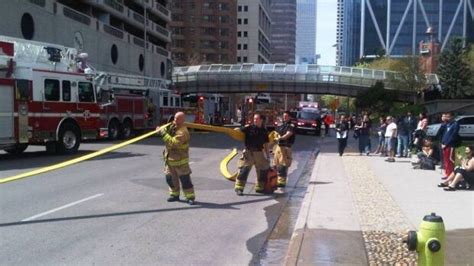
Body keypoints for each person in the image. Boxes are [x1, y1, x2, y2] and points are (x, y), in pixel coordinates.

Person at [156, 112, 195, 205]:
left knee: (185, 181)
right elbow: (167, 131)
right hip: (170, 161)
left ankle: (190, 197)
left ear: (183, 120)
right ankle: (174, 195)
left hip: (181, 161)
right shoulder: (174, 127)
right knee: (170, 179)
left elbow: (173, 143)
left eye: (177, 119)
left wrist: (163, 133)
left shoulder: (183, 132)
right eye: (174, 119)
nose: (175, 121)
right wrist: (161, 129)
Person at [234, 113, 271, 196]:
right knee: (244, 169)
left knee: (262, 171)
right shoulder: (249, 128)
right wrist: (236, 130)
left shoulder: (264, 131)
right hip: (249, 152)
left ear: (261, 120)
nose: (255, 120)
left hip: (259, 153)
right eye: (254, 118)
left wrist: (268, 156)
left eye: (257, 119)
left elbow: (266, 144)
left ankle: (259, 187)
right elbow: (238, 130)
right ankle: (239, 188)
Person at [273, 111, 296, 188]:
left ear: (289, 117)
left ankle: (282, 182)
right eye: (284, 116)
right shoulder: (281, 125)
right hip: (278, 147)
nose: (284, 117)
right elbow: (275, 133)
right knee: (276, 164)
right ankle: (275, 179)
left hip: (286, 147)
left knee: (283, 165)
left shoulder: (291, 125)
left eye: (286, 116)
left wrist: (280, 138)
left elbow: (288, 134)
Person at [441, 112, 460, 179]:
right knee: (446, 161)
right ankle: (447, 174)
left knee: (449, 160)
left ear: (452, 117)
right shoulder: (447, 124)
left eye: (448, 116)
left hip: (450, 145)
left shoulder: (455, 124)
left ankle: (450, 175)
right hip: (444, 144)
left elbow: (453, 135)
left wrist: (446, 144)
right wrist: (442, 143)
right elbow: (443, 133)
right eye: (446, 116)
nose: (447, 118)